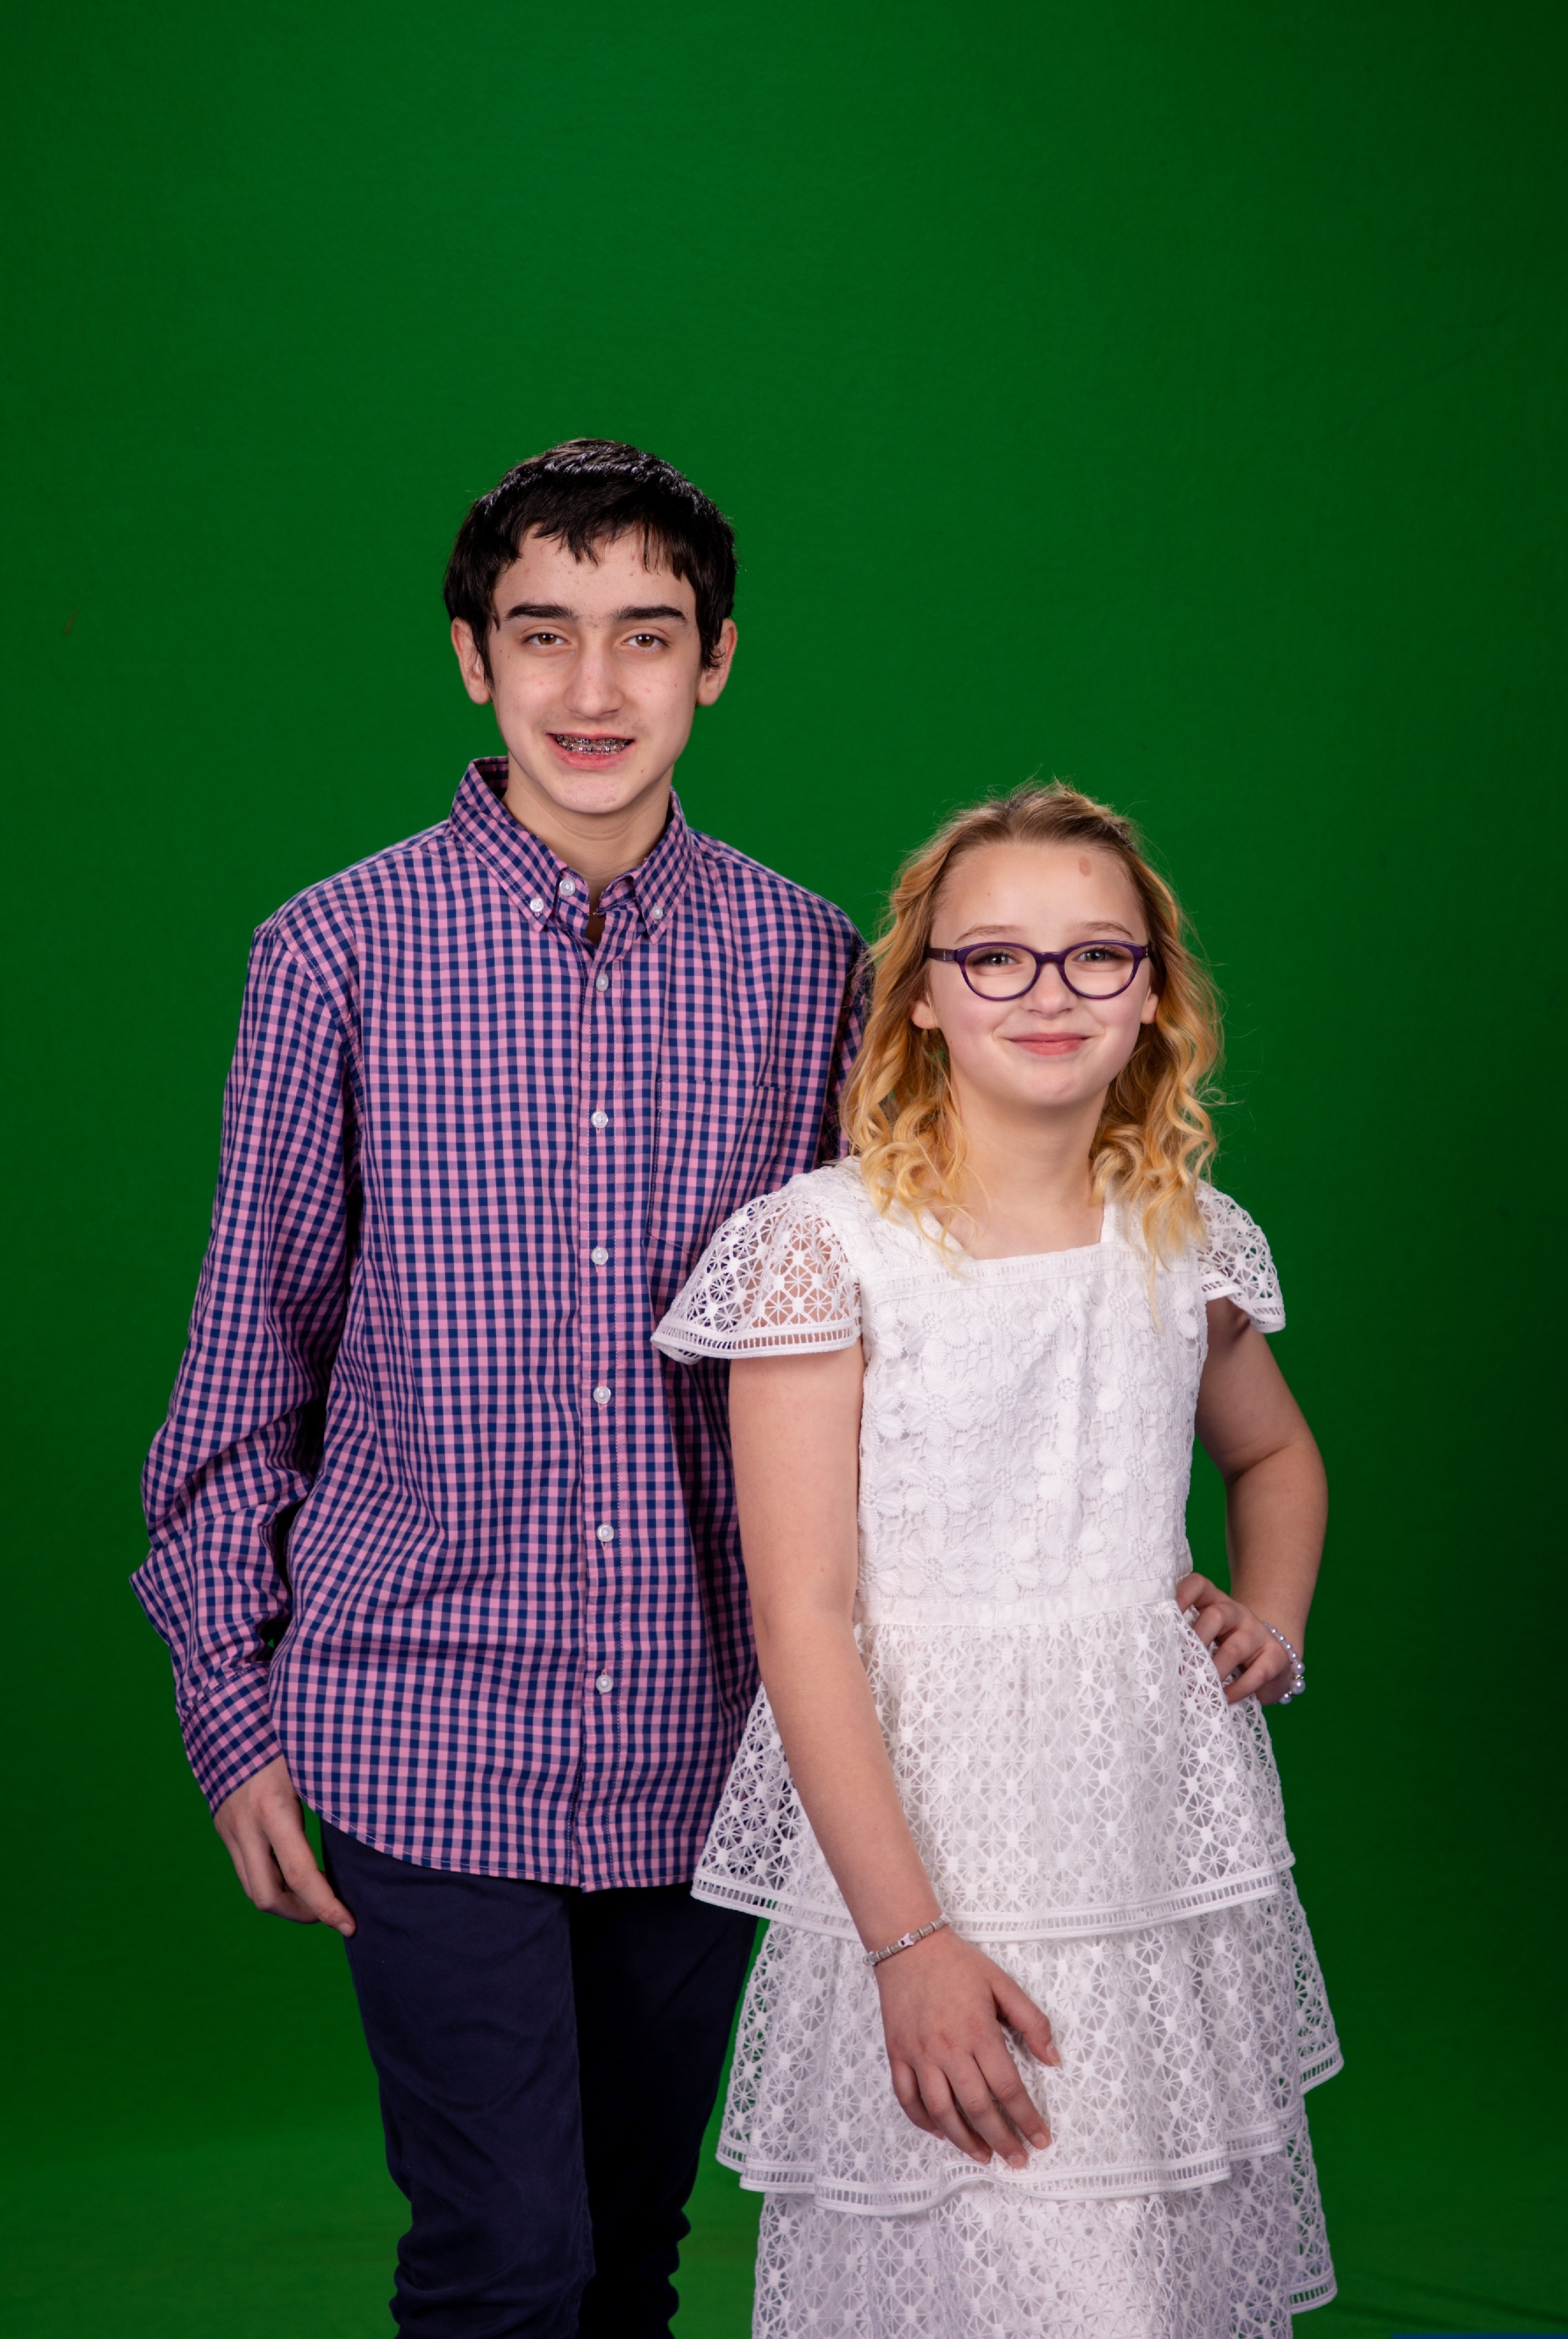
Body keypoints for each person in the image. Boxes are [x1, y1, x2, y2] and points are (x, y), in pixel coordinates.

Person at [133, 439, 868, 2338]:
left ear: (718, 660)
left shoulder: (814, 966)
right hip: (417, 1720)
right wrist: (232, 1713)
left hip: (706, 1739)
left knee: (631, 2253)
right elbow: (246, 1358)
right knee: (506, 2260)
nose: (593, 687)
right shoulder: (334, 953)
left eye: (647, 635)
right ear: (473, 658)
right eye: (544, 634)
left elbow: (901, 1356)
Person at [654, 781, 1339, 2337]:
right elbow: (803, 1616)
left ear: (1152, 995)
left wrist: (1274, 1618)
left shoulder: (1185, 1232)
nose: (1050, 992)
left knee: (1148, 2263)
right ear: (922, 996)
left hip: (1145, 1832)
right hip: (926, 1831)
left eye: (1096, 955)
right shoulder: (824, 1247)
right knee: (994, 2252)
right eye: (996, 958)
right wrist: (908, 1941)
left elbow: (1277, 1457)